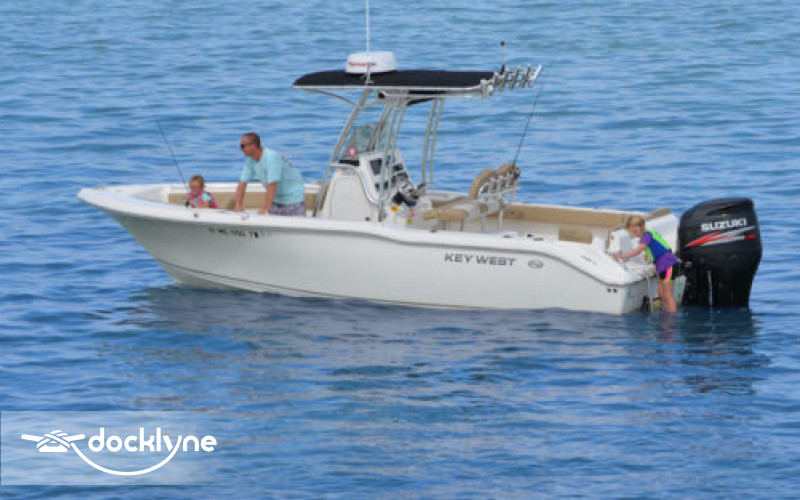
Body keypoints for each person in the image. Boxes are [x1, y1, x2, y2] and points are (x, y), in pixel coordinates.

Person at [613, 215, 680, 313]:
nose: (634, 233)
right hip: (662, 265)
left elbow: (638, 250)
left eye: (635, 230)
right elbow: (655, 247)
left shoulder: (647, 235)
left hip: (668, 264)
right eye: (631, 231)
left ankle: (671, 319)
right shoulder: (649, 235)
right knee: (661, 293)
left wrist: (621, 256)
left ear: (642, 226)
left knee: (667, 295)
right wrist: (649, 256)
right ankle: (666, 315)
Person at [235, 132, 305, 216]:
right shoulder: (250, 160)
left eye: (242, 146)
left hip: (293, 200)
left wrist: (266, 208)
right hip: (276, 200)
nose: (241, 149)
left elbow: (272, 185)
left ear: (253, 146)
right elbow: (242, 183)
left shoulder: (271, 157)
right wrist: (238, 205)